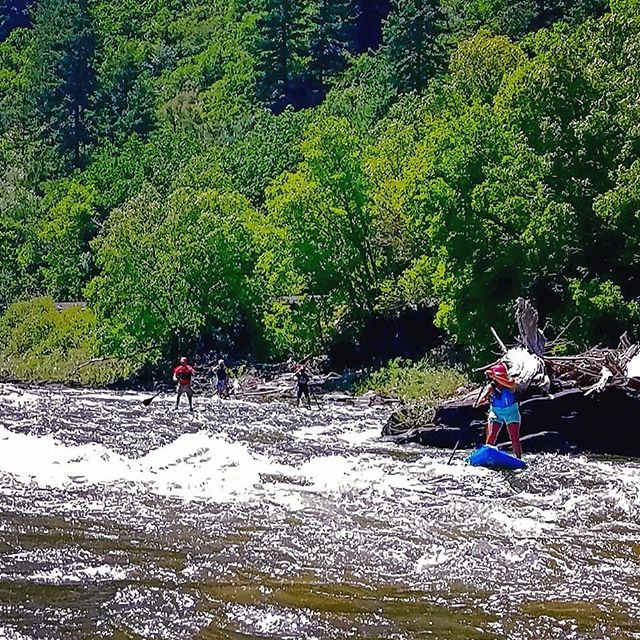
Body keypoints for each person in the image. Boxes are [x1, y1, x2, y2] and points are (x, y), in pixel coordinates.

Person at [476, 362, 522, 458]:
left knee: (514, 437)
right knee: (491, 435)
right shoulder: (491, 386)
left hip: (511, 411)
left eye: (502, 376)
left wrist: (494, 376)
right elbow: (484, 396)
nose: (500, 379)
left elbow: (509, 384)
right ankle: (487, 456)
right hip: (496, 412)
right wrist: (479, 401)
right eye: (498, 376)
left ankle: (518, 457)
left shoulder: (511, 382)